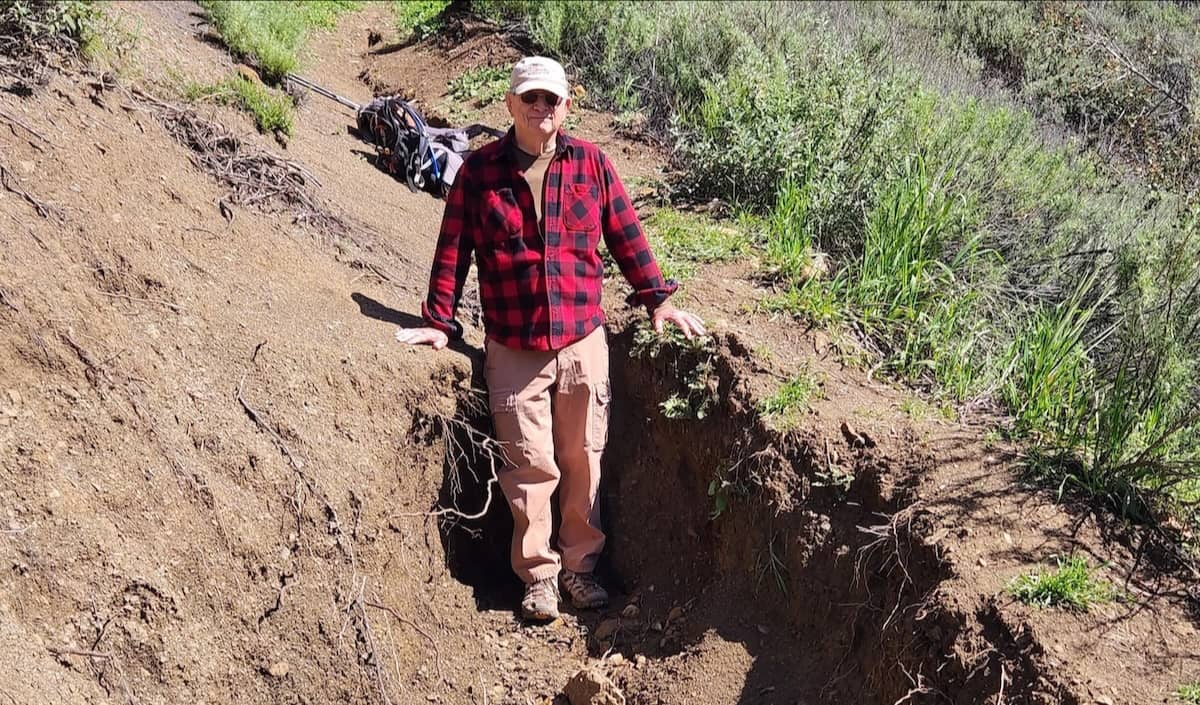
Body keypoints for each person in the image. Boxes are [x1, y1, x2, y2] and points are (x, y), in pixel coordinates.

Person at [395, 56, 705, 621]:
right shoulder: (479, 174)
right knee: (529, 464)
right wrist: (440, 323)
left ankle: (580, 570)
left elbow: (626, 235)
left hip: (582, 341)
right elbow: (452, 251)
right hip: (513, 345)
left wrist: (658, 299)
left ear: (566, 106)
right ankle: (538, 577)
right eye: (530, 99)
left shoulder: (593, 165)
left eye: (551, 100)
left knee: (583, 457)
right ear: (510, 104)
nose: (541, 109)